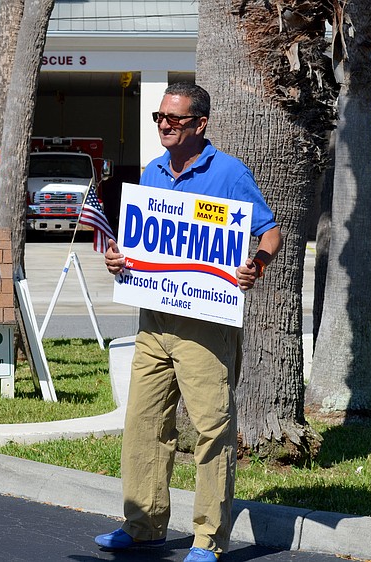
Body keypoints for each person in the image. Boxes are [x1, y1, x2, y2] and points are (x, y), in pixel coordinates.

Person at [95, 83, 282, 562]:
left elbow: (271, 233)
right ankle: (144, 527)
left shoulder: (229, 173)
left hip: (204, 325)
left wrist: (255, 266)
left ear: (201, 124)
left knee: (211, 428)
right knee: (143, 425)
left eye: (173, 119)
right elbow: (136, 241)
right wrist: (119, 259)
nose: (163, 125)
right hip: (153, 321)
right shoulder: (153, 172)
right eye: (159, 117)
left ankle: (208, 539)